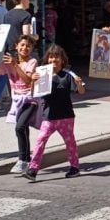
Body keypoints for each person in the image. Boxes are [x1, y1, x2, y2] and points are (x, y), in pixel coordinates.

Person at [23, 45, 86, 181]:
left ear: (62, 60)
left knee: (70, 142)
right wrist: (33, 81)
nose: (54, 59)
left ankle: (74, 167)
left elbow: (81, 92)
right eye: (51, 57)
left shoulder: (68, 75)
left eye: (57, 57)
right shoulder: (41, 74)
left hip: (66, 116)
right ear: (47, 59)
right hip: (48, 116)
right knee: (41, 140)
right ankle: (33, 169)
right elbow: (34, 94)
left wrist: (79, 84)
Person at [0, 34, 38, 174]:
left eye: (28, 46)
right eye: (22, 45)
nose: (25, 48)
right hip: (16, 101)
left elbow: (27, 80)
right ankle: (27, 160)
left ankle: (22, 160)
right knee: (23, 129)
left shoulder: (32, 62)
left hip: (30, 100)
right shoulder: (8, 62)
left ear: (32, 48)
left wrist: (15, 65)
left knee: (20, 127)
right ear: (16, 46)